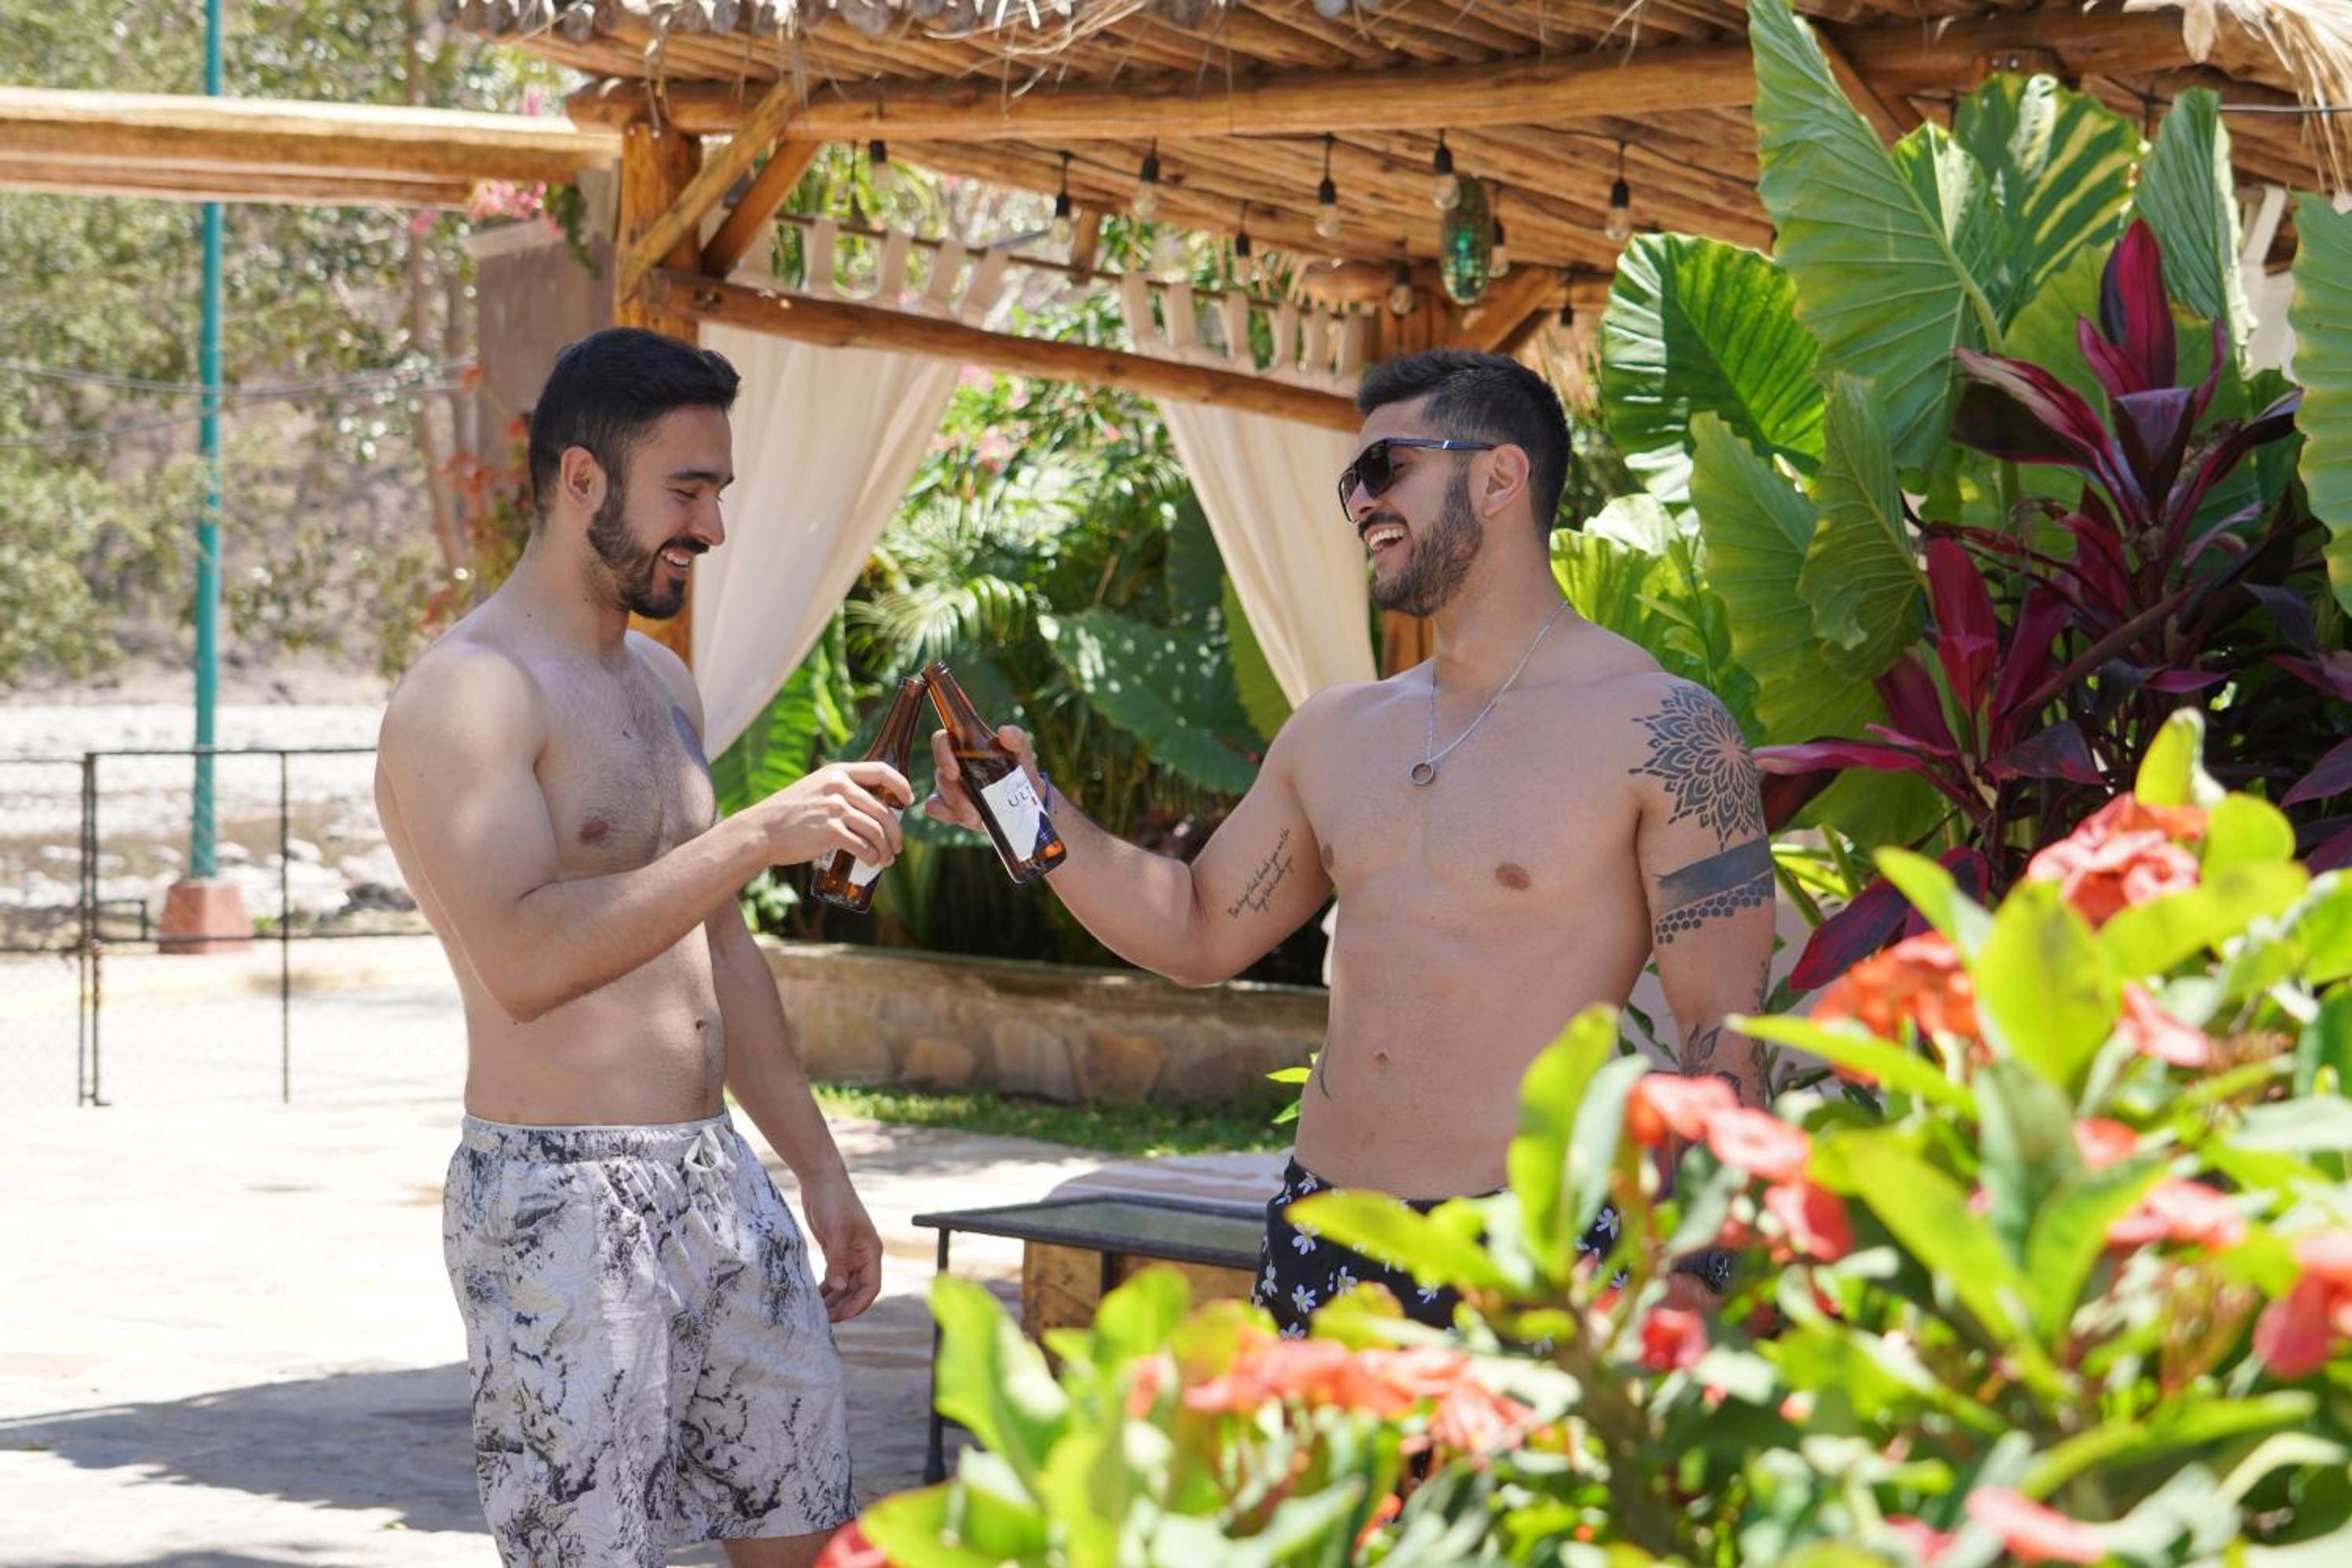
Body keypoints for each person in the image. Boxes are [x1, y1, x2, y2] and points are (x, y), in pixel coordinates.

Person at [927, 349, 1774, 1336]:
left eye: (1386, 468)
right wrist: (1026, 808)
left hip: (1533, 1248)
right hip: (1322, 1229)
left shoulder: (1659, 728)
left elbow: (1722, 1026)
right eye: (1352, 482)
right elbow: (1197, 928)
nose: (1361, 502)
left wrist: (1709, 1274)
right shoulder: (1336, 730)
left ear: (1500, 476)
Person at [376, 328, 911, 1567]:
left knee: (810, 1537)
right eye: (688, 491)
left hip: (715, 1171)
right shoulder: (469, 694)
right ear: (582, 480)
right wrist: (756, 836)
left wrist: (819, 1172)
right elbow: (523, 961)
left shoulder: (663, 687)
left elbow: (718, 949)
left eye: (718, 492)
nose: (711, 527)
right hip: (556, 1193)